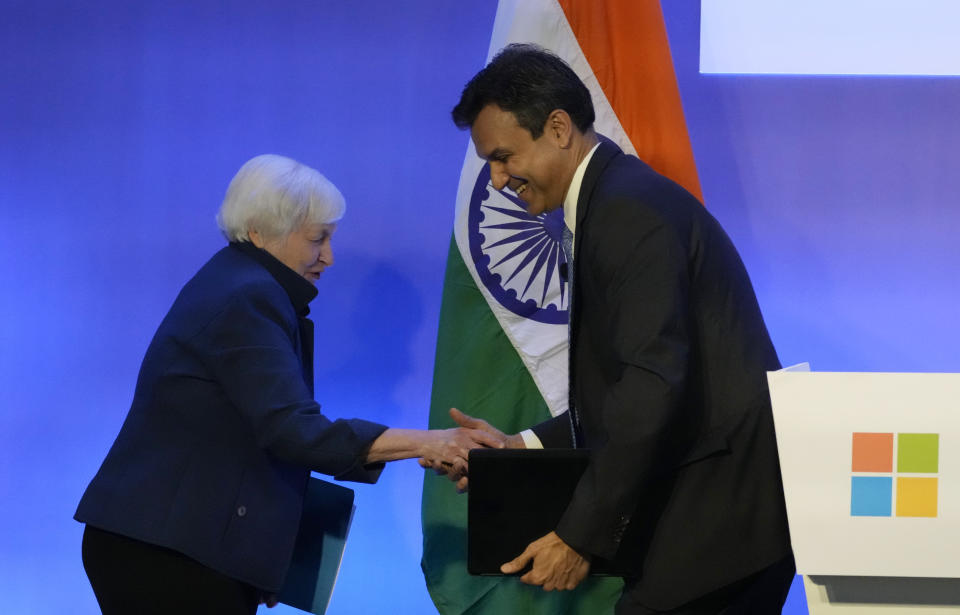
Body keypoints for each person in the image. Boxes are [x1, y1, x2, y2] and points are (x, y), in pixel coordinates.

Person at [440, 44, 795, 614]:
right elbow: (629, 385)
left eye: (503, 157)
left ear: (558, 128)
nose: (499, 180)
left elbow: (654, 384)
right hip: (714, 526)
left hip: (718, 531)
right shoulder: (617, 200)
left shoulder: (627, 211)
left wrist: (579, 534)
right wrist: (519, 448)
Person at [74, 154, 501, 614]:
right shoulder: (248, 297)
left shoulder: (237, 282)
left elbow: (249, 439)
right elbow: (292, 431)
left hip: (173, 545)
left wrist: (263, 556)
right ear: (261, 232)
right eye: (318, 238)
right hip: (166, 551)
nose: (330, 257)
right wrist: (430, 442)